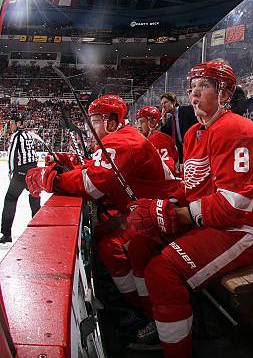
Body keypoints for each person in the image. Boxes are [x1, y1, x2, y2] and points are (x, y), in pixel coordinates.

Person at [126, 60, 253, 358]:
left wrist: (178, 215)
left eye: (203, 85)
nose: (193, 92)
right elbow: (195, 186)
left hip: (245, 228)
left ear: (225, 92)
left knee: (162, 270)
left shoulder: (237, 129)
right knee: (139, 243)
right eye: (191, 86)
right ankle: (163, 319)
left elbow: (235, 204)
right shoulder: (194, 131)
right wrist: (170, 204)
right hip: (213, 221)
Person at [26, 95, 178, 309]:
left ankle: (144, 309)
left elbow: (92, 185)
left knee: (110, 246)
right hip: (149, 208)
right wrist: (71, 164)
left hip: (161, 213)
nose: (90, 128)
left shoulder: (123, 140)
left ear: (112, 122)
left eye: (96, 121)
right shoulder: (122, 138)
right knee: (106, 238)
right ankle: (136, 301)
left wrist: (53, 179)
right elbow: (97, 171)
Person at [1, 113, 40, 246]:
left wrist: (11, 172)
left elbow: (12, 156)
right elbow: (33, 153)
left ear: (19, 124)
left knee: (10, 199)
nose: (11, 126)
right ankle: (39, 230)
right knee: (34, 198)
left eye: (13, 123)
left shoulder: (16, 136)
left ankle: (6, 234)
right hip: (33, 169)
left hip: (21, 171)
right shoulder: (29, 135)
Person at [136, 105, 179, 175]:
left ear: (153, 122)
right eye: (138, 122)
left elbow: (167, 169)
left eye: (142, 122)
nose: (139, 126)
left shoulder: (159, 139)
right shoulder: (155, 138)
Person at [160, 92, 198, 166]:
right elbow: (165, 138)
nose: (163, 106)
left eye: (165, 102)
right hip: (181, 154)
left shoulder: (188, 110)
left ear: (173, 102)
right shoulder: (170, 120)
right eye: (162, 104)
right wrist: (163, 121)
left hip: (194, 149)